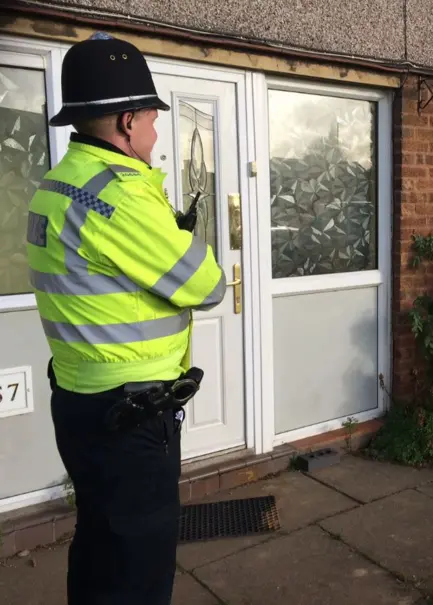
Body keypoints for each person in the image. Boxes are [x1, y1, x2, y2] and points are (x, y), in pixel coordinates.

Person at [25, 32, 226, 605]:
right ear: (127, 121)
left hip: (80, 403)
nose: (158, 132)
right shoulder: (119, 197)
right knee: (139, 568)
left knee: (98, 547)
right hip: (130, 417)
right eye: (153, 118)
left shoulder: (57, 184)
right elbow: (206, 285)